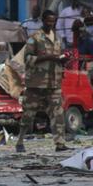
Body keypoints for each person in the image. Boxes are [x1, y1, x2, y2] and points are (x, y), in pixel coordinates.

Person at [16, 10, 70, 153]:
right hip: (36, 84)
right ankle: (20, 141)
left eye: (53, 21)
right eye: (48, 21)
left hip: (54, 83)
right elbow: (27, 59)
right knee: (28, 115)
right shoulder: (35, 38)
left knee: (58, 114)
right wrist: (47, 58)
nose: (51, 24)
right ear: (43, 20)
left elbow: (58, 57)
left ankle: (60, 143)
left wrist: (63, 60)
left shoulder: (57, 38)